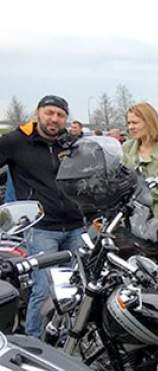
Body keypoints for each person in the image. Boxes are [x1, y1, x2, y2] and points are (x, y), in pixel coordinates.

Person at [0, 95, 83, 338]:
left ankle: (65, 339)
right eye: (49, 113)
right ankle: (35, 342)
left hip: (76, 226)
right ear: (38, 113)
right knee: (45, 289)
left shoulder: (71, 144)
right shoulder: (16, 141)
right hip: (41, 228)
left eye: (60, 115)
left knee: (74, 290)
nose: (54, 119)